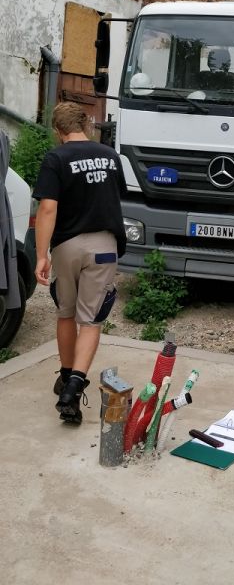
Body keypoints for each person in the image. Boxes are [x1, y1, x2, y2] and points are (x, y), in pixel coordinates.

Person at [33, 102, 126, 425]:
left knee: (66, 313)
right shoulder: (111, 158)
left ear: (58, 131)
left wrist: (42, 254)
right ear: (85, 125)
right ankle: (73, 389)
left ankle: (65, 374)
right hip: (103, 246)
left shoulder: (56, 158)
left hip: (67, 247)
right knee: (91, 320)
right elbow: (116, 199)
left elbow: (47, 209)